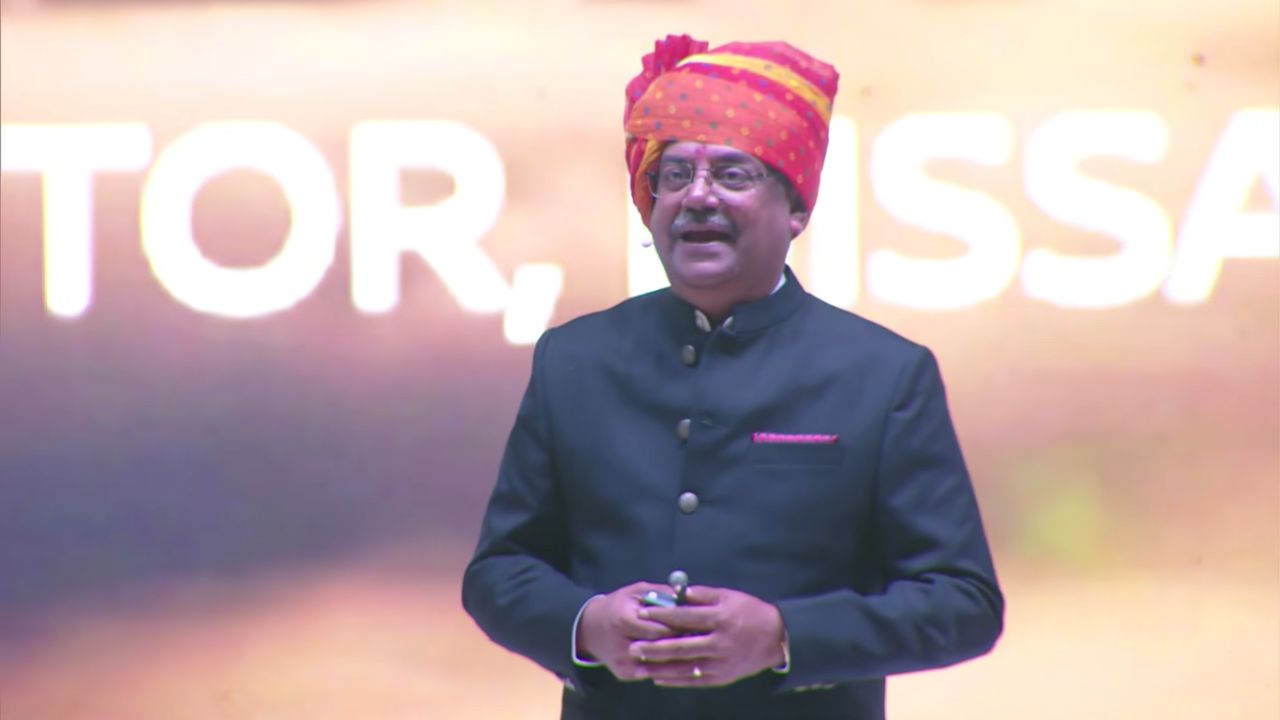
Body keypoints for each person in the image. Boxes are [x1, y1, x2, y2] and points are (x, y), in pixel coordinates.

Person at [462, 33, 1003, 720]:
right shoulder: (575, 359)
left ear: (797, 209)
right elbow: (499, 573)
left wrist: (784, 637)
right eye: (674, 175)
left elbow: (962, 603)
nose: (697, 197)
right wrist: (587, 626)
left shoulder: (883, 373)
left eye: (732, 174)